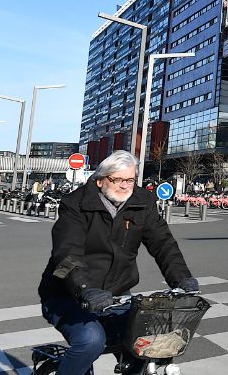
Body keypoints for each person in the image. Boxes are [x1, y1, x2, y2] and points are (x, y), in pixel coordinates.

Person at [38, 151, 197, 375]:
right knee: (91, 340)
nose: (124, 185)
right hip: (67, 295)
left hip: (117, 295)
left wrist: (182, 278)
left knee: (146, 341)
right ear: (100, 179)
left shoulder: (142, 202)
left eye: (130, 180)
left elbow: (163, 243)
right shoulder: (76, 204)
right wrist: (85, 290)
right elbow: (66, 253)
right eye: (117, 179)